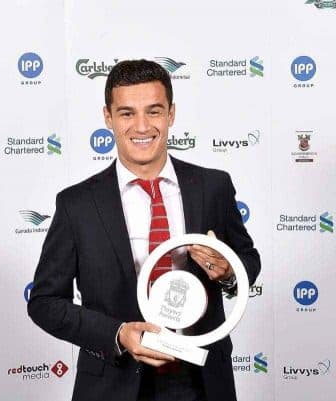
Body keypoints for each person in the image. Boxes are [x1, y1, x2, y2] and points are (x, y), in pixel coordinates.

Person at [28, 59, 261, 401]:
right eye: (126, 113)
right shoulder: (76, 204)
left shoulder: (213, 186)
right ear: (108, 117)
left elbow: (248, 262)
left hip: (201, 381)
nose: (141, 126)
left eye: (153, 111)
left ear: (171, 114)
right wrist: (118, 334)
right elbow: (45, 302)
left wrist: (226, 271)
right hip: (114, 382)